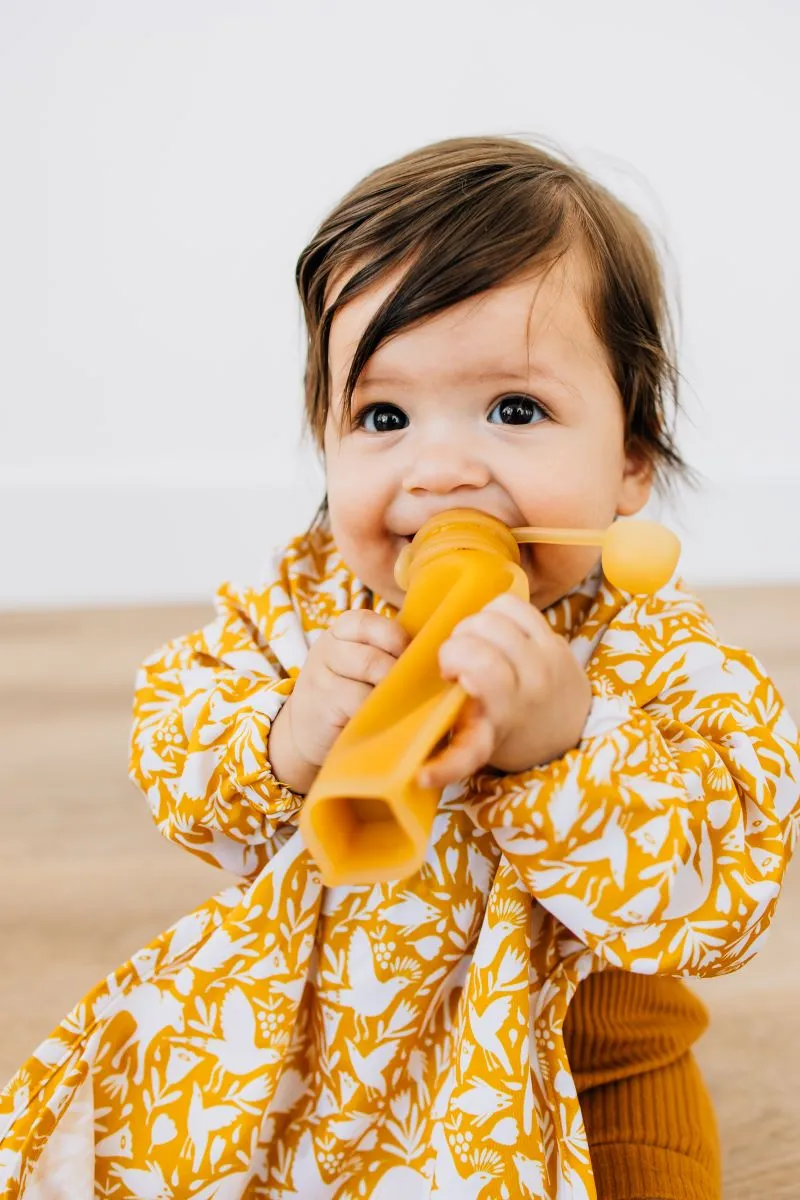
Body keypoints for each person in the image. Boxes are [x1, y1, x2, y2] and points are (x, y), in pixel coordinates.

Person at [1, 135, 798, 1200]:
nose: (439, 468)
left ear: (628, 460)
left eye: (513, 411)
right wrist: (284, 738)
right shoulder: (306, 614)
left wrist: (565, 750)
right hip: (318, 1056)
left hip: (585, 1074)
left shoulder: (662, 664)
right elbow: (174, 748)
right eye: (381, 416)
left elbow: (716, 902)